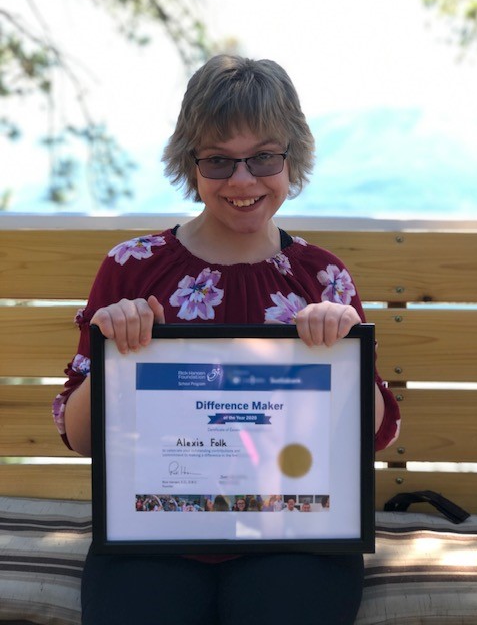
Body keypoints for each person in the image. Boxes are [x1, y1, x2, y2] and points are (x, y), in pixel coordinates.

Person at [52, 54, 400, 625]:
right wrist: (111, 348)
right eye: (218, 161)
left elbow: (378, 434)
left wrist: (345, 350)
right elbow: (81, 438)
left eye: (264, 156)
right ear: (191, 165)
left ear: (293, 158)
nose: (242, 181)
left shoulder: (322, 276)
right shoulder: (133, 269)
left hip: (299, 534)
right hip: (153, 531)